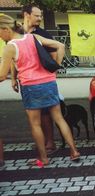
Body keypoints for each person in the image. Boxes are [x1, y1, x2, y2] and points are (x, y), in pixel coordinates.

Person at [0, 14, 80, 166]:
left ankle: (44, 159)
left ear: (5, 29)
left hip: (30, 87)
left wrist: (11, 78)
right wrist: (55, 68)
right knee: (59, 118)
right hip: (49, 83)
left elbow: (2, 75)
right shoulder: (33, 37)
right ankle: (74, 151)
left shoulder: (10, 47)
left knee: (35, 124)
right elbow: (60, 46)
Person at [22, 5, 59, 155]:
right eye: (37, 15)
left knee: (45, 113)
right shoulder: (18, 33)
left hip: (42, 80)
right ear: (26, 15)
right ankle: (41, 141)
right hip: (25, 79)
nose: (39, 18)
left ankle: (50, 143)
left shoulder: (43, 34)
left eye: (40, 15)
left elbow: (55, 54)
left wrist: (51, 73)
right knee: (33, 114)